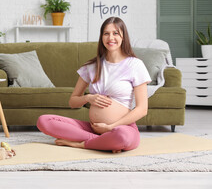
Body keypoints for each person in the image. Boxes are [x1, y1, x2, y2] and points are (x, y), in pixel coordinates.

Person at [36, 17, 151, 153]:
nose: (111, 38)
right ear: (101, 37)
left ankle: (82, 143)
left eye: (115, 33)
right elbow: (73, 102)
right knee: (43, 121)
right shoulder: (92, 66)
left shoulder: (135, 65)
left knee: (122, 137)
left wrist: (110, 127)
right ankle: (101, 141)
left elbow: (142, 109)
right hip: (92, 128)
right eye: (106, 33)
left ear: (123, 37)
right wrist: (88, 98)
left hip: (121, 127)